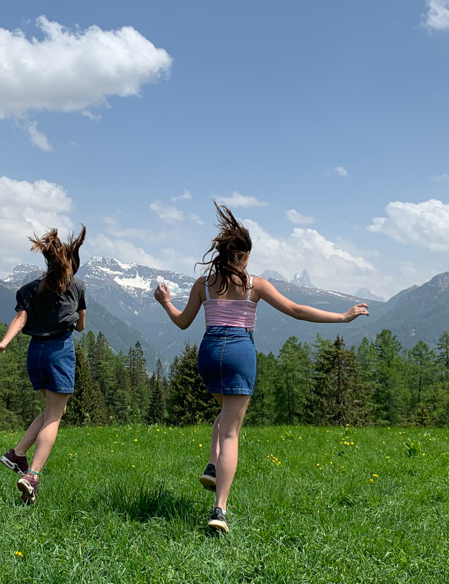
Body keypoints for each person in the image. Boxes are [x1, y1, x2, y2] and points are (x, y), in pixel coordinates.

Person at [154, 203, 368, 533]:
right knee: (231, 432)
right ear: (243, 257)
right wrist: (342, 317)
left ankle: (212, 466)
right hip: (240, 352)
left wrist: (165, 301)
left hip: (210, 353)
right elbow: (296, 310)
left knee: (224, 416)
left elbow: (183, 322)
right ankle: (220, 510)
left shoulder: (203, 284)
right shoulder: (255, 285)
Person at [0, 226, 87, 505]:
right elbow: (82, 326)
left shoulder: (29, 289)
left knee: (55, 409)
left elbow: (21, 319)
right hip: (59, 350)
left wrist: (3, 343)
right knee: (54, 417)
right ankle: (32, 475)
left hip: (34, 353)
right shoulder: (77, 287)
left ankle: (17, 454)